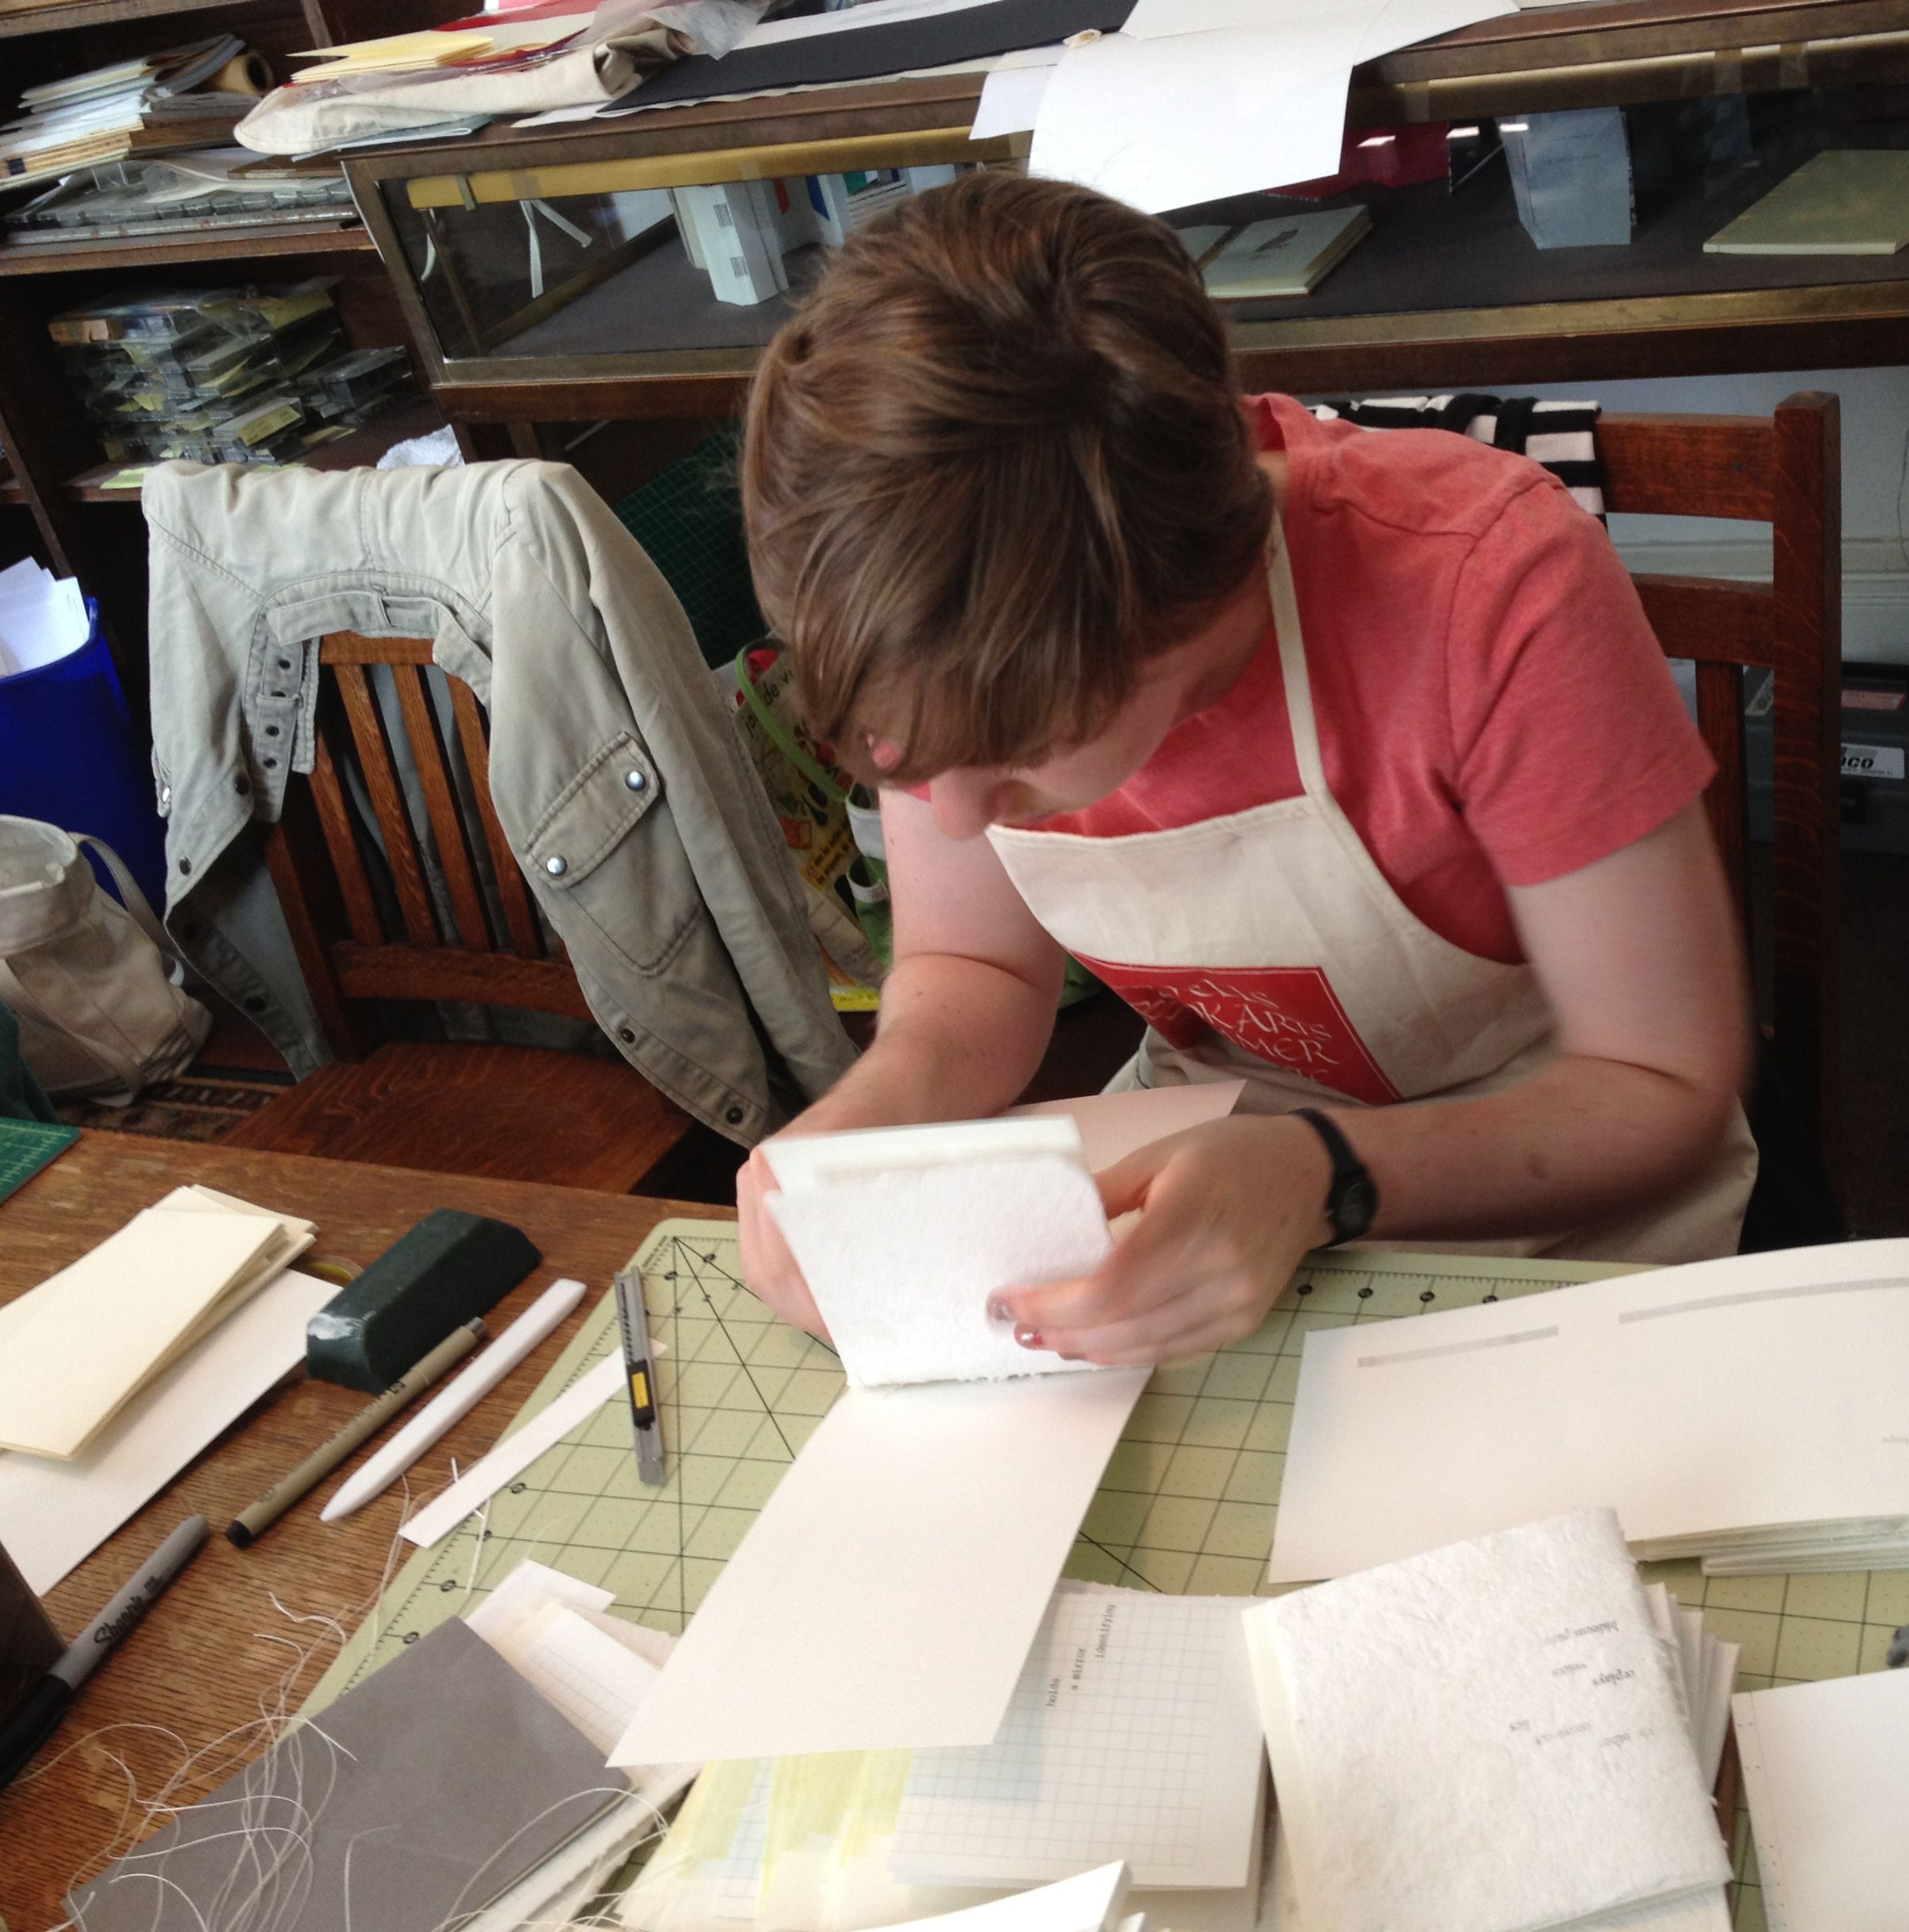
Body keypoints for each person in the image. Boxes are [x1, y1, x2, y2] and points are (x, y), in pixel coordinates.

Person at [732, 170, 1757, 1368]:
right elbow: (973, 967)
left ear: (1186, 611)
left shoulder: (1485, 589)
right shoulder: (944, 624)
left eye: (1013, 753)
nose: (952, 817)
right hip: (1201, 1159)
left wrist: (1321, 1176)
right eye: (902, 757)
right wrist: (865, 1124)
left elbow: (1658, 1085)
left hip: (1549, 1183)